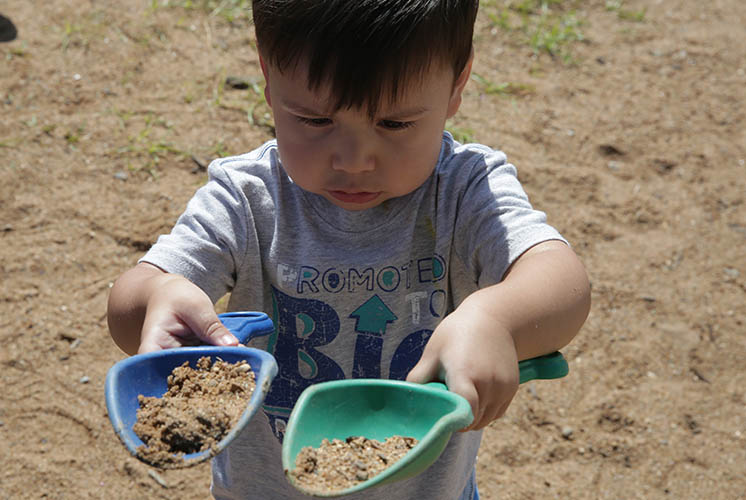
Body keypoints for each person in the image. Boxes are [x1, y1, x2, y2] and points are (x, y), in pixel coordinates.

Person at [107, 0, 591, 498]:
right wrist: (158, 296)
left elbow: (561, 280)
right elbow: (130, 309)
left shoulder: (464, 192)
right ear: (267, 78)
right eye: (315, 121)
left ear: (457, 84)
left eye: (395, 124)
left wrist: (495, 319)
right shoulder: (246, 199)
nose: (355, 160)